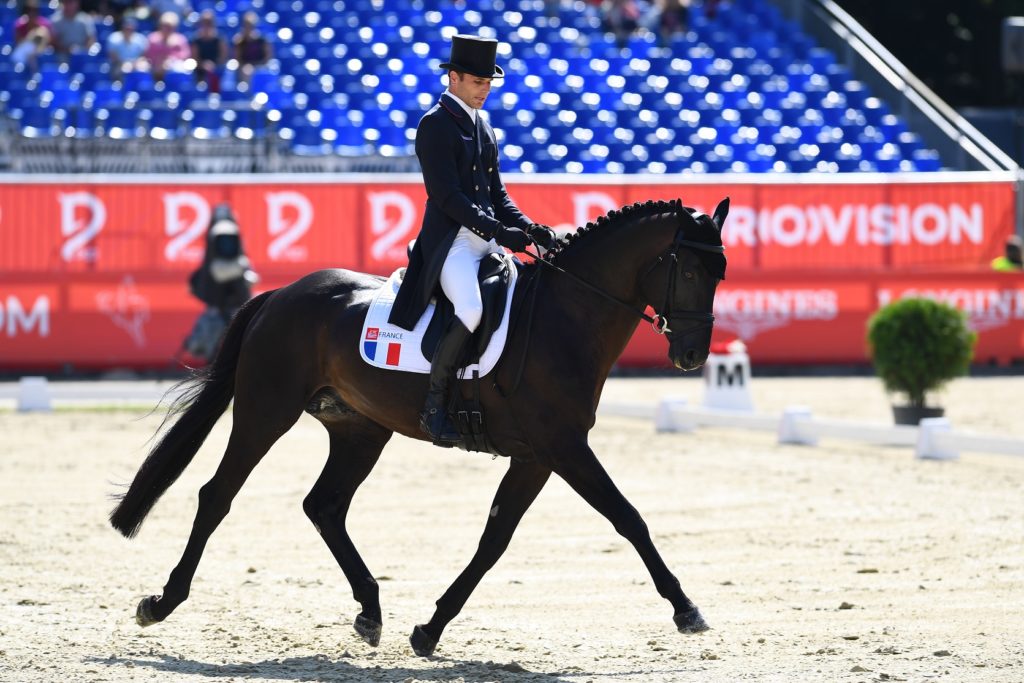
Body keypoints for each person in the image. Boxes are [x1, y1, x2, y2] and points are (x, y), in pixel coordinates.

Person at [387, 34, 556, 445]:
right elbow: (447, 197)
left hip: (484, 240)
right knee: (471, 308)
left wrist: (529, 228)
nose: (486, 90)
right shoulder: (435, 125)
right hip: (453, 244)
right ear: (454, 79)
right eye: (478, 82)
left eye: (489, 83)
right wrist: (499, 231)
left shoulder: (483, 125)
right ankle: (433, 405)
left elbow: (497, 194)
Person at [184, 204, 259, 361]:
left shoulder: (221, 235)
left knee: (237, 343)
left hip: (231, 305)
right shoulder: (221, 239)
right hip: (222, 305)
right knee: (215, 343)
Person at [144, 11, 190, 82]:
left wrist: (171, 60)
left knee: (180, 69)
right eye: (164, 26)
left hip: (173, 67)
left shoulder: (180, 39)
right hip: (155, 66)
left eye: (169, 27)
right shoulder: (153, 38)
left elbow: (185, 55)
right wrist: (159, 61)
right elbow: (148, 54)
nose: (166, 29)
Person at [191, 9, 227, 93]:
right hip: (200, 71)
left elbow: (223, 57)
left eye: (209, 23)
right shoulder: (196, 40)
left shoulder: (219, 39)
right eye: (204, 23)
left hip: (217, 69)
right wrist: (204, 65)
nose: (206, 25)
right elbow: (195, 58)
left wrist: (213, 65)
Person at [232, 11, 271, 85]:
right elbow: (237, 59)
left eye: (250, 26)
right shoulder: (239, 41)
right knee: (247, 70)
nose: (248, 28)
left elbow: (267, 57)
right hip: (244, 67)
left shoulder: (262, 41)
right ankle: (248, 94)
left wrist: (257, 66)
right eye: (246, 26)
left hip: (260, 66)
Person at [12, 0, 53, 70]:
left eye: (34, 11)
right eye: (29, 11)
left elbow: (50, 41)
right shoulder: (20, 25)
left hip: (40, 53)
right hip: (23, 56)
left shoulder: (45, 25)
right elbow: (18, 43)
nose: (32, 14)